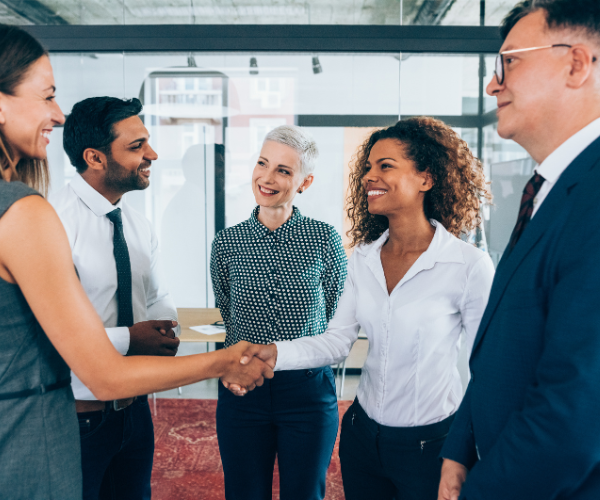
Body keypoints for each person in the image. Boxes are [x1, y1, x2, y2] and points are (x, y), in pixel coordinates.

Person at [0, 24, 272, 499]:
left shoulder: (134, 222)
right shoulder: (31, 214)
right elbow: (100, 372)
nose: (57, 114)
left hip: (130, 413)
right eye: (46, 96)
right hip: (45, 428)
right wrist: (223, 361)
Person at [234, 117, 495, 500]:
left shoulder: (468, 266)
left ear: (426, 178)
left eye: (385, 166)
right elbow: (336, 342)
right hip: (361, 437)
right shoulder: (364, 260)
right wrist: (273, 352)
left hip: (431, 446)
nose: (369, 177)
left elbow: (487, 370)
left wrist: (464, 452)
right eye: (368, 167)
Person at [437, 1, 600, 499]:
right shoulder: (553, 187)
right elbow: (510, 344)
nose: (493, 85)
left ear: (576, 64)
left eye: (510, 62)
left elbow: (573, 409)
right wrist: (460, 445)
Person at [50, 96, 180, 500]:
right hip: (78, 420)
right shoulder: (52, 224)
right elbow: (49, 335)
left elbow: (155, 294)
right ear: (95, 157)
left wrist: (164, 328)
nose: (152, 154)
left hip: (135, 413)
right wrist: (130, 338)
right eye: (136, 145)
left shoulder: (138, 224)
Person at [210, 125, 347, 500]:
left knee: (304, 494)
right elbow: (227, 308)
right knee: (243, 493)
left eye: (284, 170)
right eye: (262, 163)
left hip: (306, 392)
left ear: (305, 181)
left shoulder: (324, 239)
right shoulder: (227, 242)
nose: (266, 178)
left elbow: (335, 311)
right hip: (241, 390)